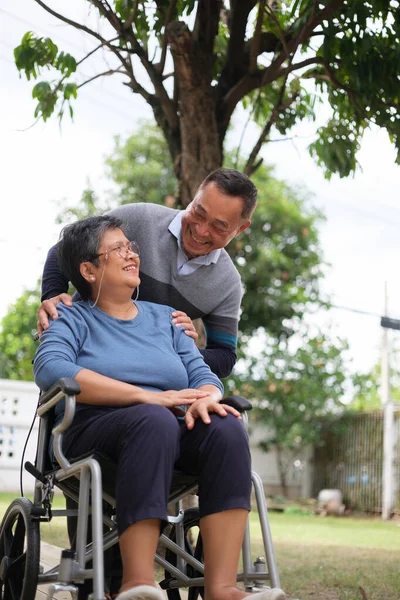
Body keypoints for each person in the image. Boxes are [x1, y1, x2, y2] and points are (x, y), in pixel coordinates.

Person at [33, 215, 285, 600]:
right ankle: (137, 584)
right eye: (118, 249)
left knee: (227, 425)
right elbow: (52, 369)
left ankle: (222, 588)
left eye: (130, 247)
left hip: (168, 427)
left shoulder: (166, 320)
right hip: (96, 431)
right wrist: (147, 396)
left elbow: (204, 374)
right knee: (152, 420)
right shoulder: (69, 316)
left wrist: (208, 397)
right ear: (88, 269)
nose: (132, 254)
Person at [38, 168, 258, 378]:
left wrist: (178, 348)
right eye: (199, 213)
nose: (201, 230)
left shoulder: (227, 285)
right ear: (197, 193)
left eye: (218, 227)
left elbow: (224, 357)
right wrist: (52, 296)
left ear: (240, 229)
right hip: (85, 359)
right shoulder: (139, 218)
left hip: (157, 388)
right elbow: (63, 251)